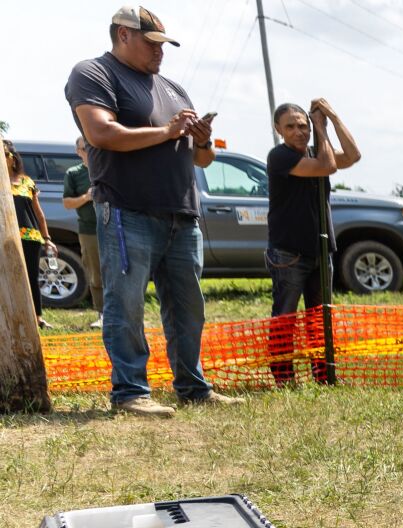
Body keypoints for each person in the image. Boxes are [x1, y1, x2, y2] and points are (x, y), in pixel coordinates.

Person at [65, 5, 240, 417]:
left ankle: (193, 387)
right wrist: (168, 131)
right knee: (125, 304)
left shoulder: (173, 88)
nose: (160, 52)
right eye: (152, 42)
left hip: (181, 214)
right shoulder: (93, 73)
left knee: (188, 307)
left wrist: (201, 139)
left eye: (164, 44)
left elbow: (204, 161)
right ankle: (130, 393)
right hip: (127, 212)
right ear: (123, 35)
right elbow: (101, 133)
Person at [266, 98, 360, 385]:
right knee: (285, 317)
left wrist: (331, 115)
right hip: (289, 251)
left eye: (304, 125)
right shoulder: (279, 156)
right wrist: (321, 129)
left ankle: (324, 375)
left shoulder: (317, 151)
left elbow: (353, 155)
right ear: (278, 129)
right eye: (291, 126)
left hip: (321, 248)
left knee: (319, 317)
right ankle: (284, 378)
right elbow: (328, 165)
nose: (299, 131)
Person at [5, 139, 55, 329]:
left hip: (29, 237)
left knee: (31, 277)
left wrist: (48, 239)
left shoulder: (27, 182)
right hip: (5, 238)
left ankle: (37, 318)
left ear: (13, 159)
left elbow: (39, 213)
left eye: (4, 154)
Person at [61, 137, 105, 328]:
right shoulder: (73, 173)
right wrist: (86, 197)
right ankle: (103, 314)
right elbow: (67, 203)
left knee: (122, 270)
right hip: (89, 230)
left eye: (91, 147)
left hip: (114, 227)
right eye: (85, 148)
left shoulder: (107, 167)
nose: (89, 150)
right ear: (78, 152)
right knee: (96, 273)